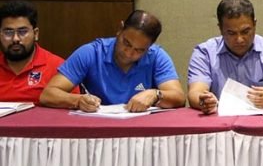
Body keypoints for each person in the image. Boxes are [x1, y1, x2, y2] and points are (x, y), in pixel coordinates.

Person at [40, 10, 185, 112]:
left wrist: (155, 94)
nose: (129, 53)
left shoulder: (157, 56)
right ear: (120, 29)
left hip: (140, 131)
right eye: (126, 43)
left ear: (150, 46)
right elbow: (48, 94)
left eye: (139, 50)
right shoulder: (91, 52)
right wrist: (77, 100)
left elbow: (179, 97)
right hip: (97, 129)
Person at [188, 0, 263, 114]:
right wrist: (204, 101)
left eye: (245, 32)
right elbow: (195, 93)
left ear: (255, 24)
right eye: (231, 33)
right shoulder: (205, 53)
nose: (239, 39)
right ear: (220, 28)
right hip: (219, 120)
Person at [0, 0, 70, 104]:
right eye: (8, 32)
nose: (15, 39)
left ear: (35, 34)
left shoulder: (58, 67)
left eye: (22, 32)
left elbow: (74, 107)